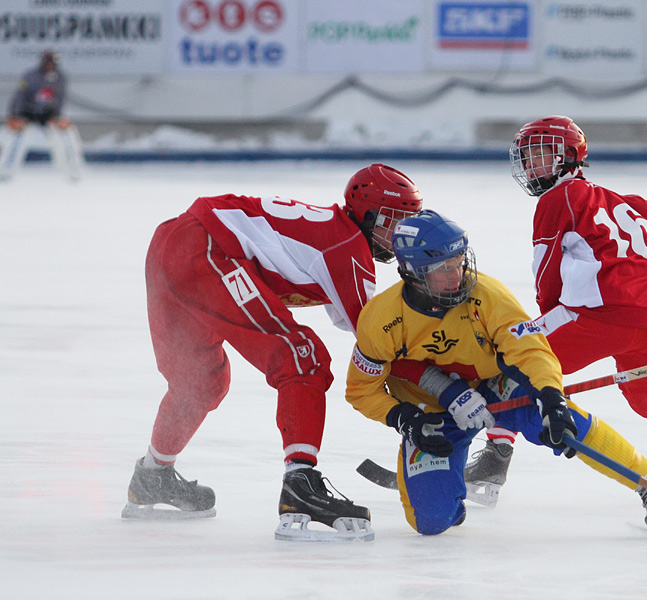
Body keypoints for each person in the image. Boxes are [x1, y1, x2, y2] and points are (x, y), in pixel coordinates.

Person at [467, 115, 647, 506]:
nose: (530, 165)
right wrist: (642, 285)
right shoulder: (632, 203)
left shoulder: (557, 199)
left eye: (541, 155)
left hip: (595, 317)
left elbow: (547, 274)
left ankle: (494, 459)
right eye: (527, 156)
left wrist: (545, 327)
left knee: (512, 359)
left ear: (569, 157)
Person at [121, 164, 423, 542]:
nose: (400, 236)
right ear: (368, 214)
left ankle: (152, 475)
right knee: (304, 359)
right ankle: (301, 485)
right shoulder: (349, 247)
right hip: (207, 247)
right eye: (393, 222)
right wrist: (434, 397)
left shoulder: (337, 235)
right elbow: (379, 341)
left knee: (199, 382)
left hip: (173, 241)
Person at [345, 209, 647, 537]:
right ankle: (443, 486)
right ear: (413, 273)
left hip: (494, 386)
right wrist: (405, 418)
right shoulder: (381, 319)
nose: (458, 274)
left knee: (564, 424)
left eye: (459, 262)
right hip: (432, 414)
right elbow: (361, 390)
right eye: (443, 269)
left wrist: (551, 398)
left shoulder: (487, 296)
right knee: (431, 521)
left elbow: (531, 350)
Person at [0, 50, 84, 181]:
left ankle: (72, 170)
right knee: (15, 139)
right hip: (27, 112)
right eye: (47, 63)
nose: (49, 66)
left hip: (48, 114)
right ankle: (6, 170)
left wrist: (57, 116)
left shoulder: (60, 77)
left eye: (52, 63)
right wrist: (15, 115)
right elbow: (19, 96)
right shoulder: (30, 76)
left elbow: (61, 98)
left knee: (66, 135)